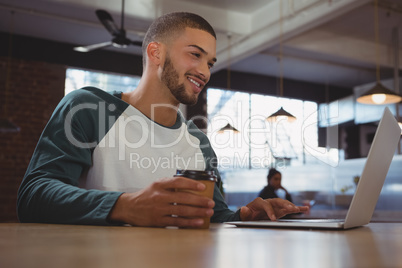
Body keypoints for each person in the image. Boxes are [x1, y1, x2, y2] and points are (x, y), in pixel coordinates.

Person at [17, 12, 307, 228]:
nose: (204, 72)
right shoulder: (88, 108)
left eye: (210, 63)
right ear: (156, 52)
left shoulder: (199, 143)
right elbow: (33, 196)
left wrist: (242, 216)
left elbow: (213, 216)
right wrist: (125, 206)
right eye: (195, 55)